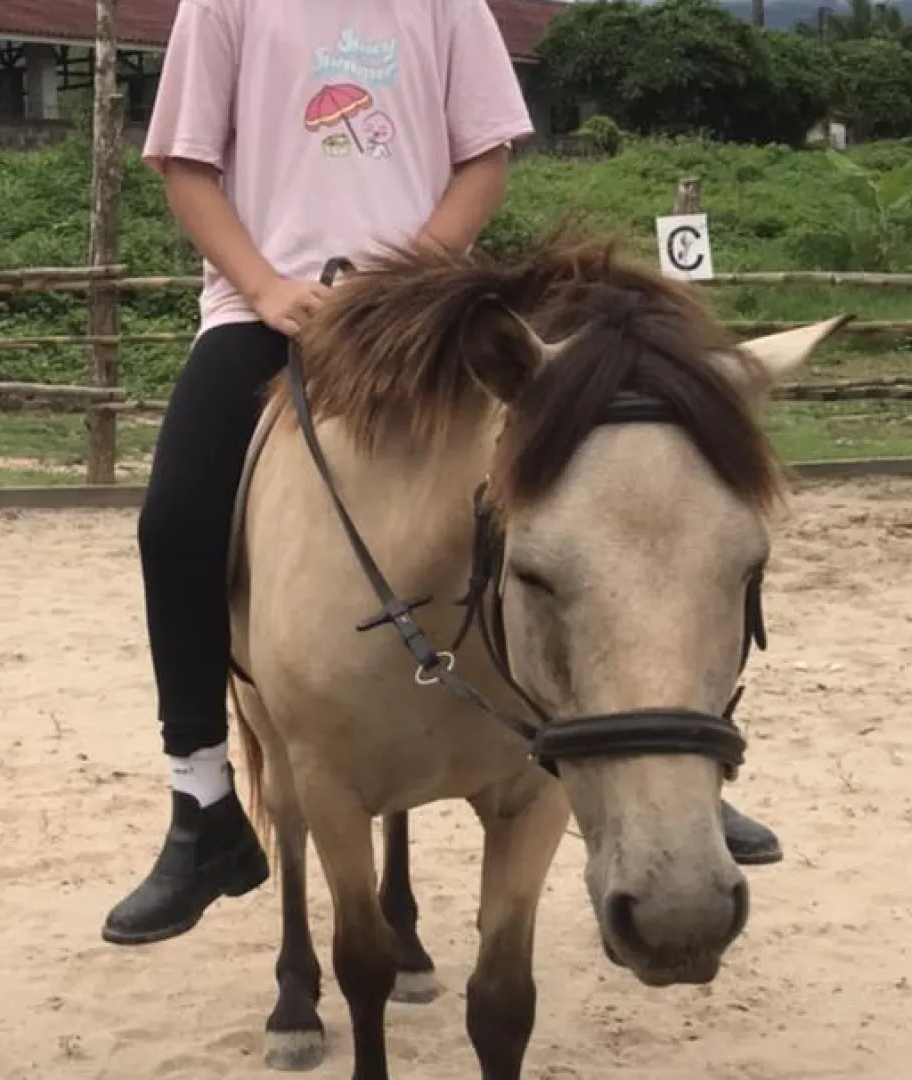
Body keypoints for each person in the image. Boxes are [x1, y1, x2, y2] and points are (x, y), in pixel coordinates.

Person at [101, 0, 783, 947]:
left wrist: (406, 278)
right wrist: (264, 286)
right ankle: (202, 797)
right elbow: (187, 167)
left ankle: (679, 770)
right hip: (267, 308)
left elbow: (484, 156)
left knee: (626, 469)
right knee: (173, 520)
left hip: (431, 301)